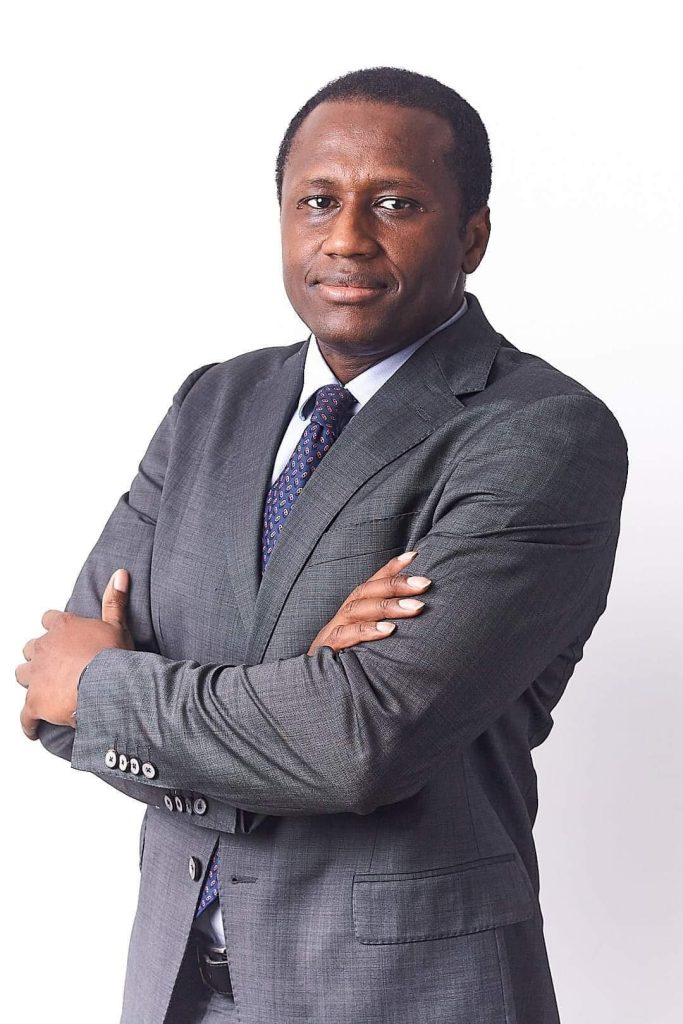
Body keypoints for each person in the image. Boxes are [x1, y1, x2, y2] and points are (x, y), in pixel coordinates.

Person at [16, 66, 628, 1024]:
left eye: (395, 203)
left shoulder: (539, 433)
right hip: (176, 988)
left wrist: (113, 689)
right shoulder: (213, 402)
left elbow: (355, 744)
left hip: (399, 996)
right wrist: (299, 687)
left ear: (472, 235)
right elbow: (52, 701)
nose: (346, 237)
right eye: (316, 201)